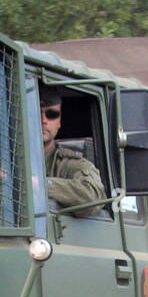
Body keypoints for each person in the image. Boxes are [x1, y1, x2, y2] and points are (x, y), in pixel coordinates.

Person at [39, 86, 105, 215]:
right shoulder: (6, 158)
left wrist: (40, 185)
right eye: (36, 112)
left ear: (59, 121)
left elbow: (93, 196)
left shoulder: (71, 164)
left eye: (52, 114)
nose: (43, 120)